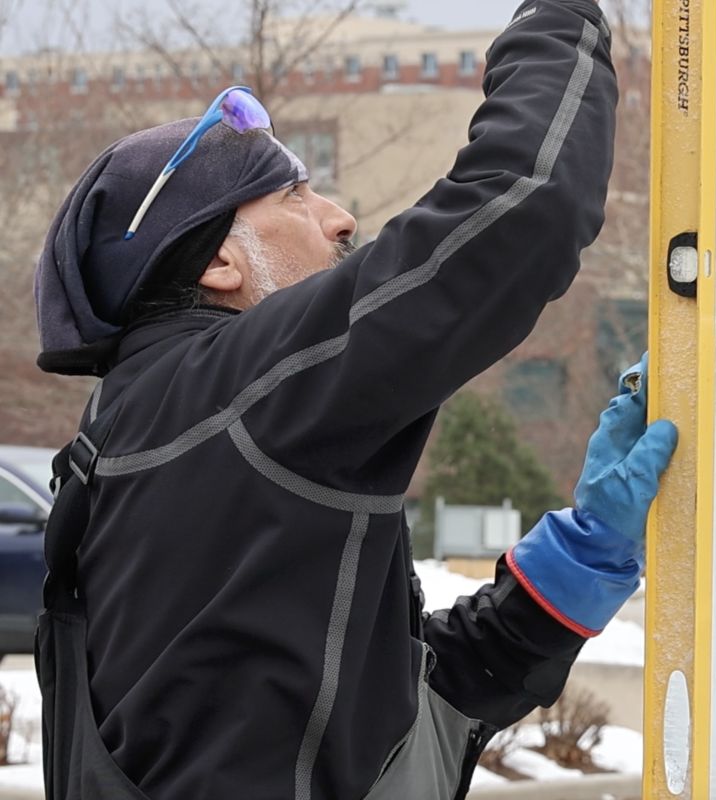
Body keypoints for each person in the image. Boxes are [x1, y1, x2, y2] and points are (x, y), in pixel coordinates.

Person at [31, 1, 678, 798]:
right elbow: (524, 204)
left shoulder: (137, 439)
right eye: (295, 197)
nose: (341, 219)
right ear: (218, 265)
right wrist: (562, 14)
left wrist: (581, 554)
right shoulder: (235, 396)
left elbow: (387, 711)